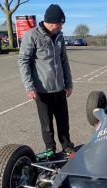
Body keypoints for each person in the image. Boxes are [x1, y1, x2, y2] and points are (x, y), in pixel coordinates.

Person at [18, 4, 74, 159]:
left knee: (63, 121)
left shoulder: (60, 37)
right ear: (50, 21)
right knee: (46, 124)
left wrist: (68, 84)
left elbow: (64, 61)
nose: (61, 27)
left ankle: (67, 147)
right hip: (42, 90)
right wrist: (29, 86)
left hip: (59, 88)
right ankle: (50, 149)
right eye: (60, 23)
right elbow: (23, 61)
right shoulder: (32, 35)